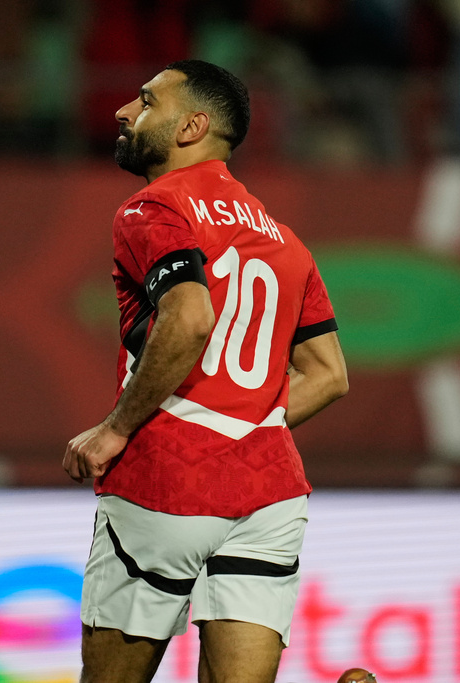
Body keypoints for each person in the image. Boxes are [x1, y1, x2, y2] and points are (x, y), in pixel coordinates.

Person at [62, 59, 348, 683]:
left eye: (145, 101)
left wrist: (115, 428)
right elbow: (328, 374)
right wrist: (250, 424)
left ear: (191, 127)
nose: (123, 111)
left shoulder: (151, 209)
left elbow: (190, 318)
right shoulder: (285, 240)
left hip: (165, 485)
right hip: (270, 497)